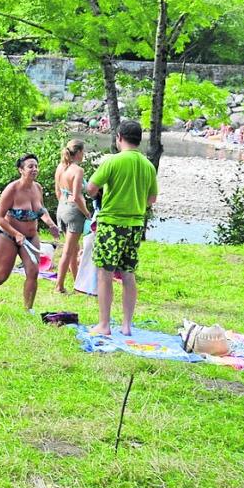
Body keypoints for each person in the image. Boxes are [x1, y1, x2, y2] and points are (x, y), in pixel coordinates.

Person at [86, 120, 158, 336]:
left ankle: (104, 325)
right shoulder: (148, 165)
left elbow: (91, 188)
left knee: (105, 273)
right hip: (135, 225)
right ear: (139, 139)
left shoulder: (113, 161)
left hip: (111, 224)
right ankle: (127, 326)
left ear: (119, 137)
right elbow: (152, 199)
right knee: (128, 274)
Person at [0, 154, 61, 314]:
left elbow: (41, 210)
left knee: (33, 272)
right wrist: (16, 233)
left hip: (31, 237)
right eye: (30, 166)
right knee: (2, 275)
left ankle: (28, 309)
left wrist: (50, 223)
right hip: (7, 236)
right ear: (21, 170)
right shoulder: (12, 189)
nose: (34, 169)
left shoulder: (38, 188)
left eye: (36, 166)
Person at [53, 140, 91, 294]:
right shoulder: (77, 170)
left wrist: (64, 206)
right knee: (68, 251)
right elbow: (76, 196)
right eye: (84, 152)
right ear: (79, 152)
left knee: (74, 249)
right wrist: (87, 213)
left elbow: (57, 191)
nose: (84, 155)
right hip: (74, 211)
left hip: (61, 208)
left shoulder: (61, 167)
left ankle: (77, 283)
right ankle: (59, 286)